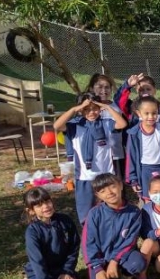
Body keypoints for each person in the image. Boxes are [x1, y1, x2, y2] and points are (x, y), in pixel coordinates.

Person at [54, 93, 127, 224]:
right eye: (86, 109)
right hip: (85, 177)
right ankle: (90, 237)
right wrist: (74, 109)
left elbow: (122, 124)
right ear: (81, 110)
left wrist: (107, 107)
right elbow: (57, 126)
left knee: (111, 210)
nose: (91, 112)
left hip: (106, 175)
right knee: (86, 214)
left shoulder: (106, 124)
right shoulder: (75, 126)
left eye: (95, 108)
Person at [83, 173, 147, 279]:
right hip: (100, 259)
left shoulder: (133, 212)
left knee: (138, 263)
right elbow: (88, 243)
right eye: (103, 191)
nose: (109, 192)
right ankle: (106, 274)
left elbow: (130, 241)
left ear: (121, 186)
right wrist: (97, 268)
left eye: (112, 186)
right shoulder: (94, 214)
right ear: (98, 195)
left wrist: (114, 260)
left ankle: (126, 275)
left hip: (122, 257)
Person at [20, 187, 80, 279]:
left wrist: (67, 270)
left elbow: (74, 247)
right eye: (38, 205)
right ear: (31, 211)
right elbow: (38, 262)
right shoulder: (32, 231)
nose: (45, 207)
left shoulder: (65, 221)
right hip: (40, 272)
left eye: (47, 202)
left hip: (61, 269)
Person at [125, 96, 160, 203]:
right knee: (148, 200)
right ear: (139, 114)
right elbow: (131, 157)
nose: (151, 116)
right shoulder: (134, 133)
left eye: (154, 113)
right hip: (144, 171)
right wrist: (133, 179)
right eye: (146, 113)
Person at [84, 74, 125, 178]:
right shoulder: (88, 109)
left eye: (107, 87)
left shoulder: (116, 106)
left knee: (117, 184)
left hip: (115, 154)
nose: (104, 90)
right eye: (100, 86)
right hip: (96, 156)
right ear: (92, 88)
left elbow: (122, 125)